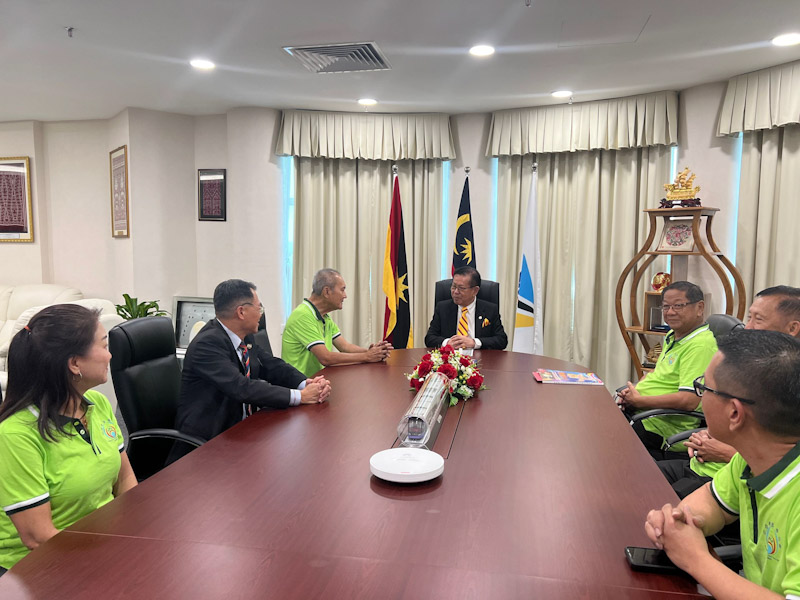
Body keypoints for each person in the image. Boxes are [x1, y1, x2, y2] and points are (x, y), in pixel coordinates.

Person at [644, 330, 800, 599]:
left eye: (704, 387)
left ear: (734, 412)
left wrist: (696, 559)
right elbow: (712, 502)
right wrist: (678, 523)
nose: (700, 396)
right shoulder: (751, 458)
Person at [0, 304, 137, 574]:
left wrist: (138, 530)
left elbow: (124, 479)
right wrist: (109, 556)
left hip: (101, 544)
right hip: (38, 568)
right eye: (104, 345)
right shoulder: (16, 435)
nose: (110, 355)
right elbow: (38, 538)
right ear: (75, 364)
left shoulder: (97, 403)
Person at [658, 285, 800, 497]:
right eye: (749, 318)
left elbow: (786, 464)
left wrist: (724, 451)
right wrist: (708, 434)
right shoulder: (753, 364)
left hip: (727, 481)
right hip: (704, 466)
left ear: (792, 328)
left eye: (758, 319)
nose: (747, 328)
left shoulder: (790, 384)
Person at [170, 280, 330, 461]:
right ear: (241, 312)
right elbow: (241, 387)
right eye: (259, 308)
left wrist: (305, 383)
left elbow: (271, 365)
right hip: (208, 443)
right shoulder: (207, 344)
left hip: (242, 431)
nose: (261, 314)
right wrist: (300, 397)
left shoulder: (244, 337)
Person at [616, 281, 717, 460]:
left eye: (678, 306)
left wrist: (640, 401)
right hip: (643, 413)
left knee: (603, 438)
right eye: (665, 306)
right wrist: (633, 392)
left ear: (700, 308)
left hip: (661, 425)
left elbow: (689, 400)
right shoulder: (674, 335)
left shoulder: (701, 345)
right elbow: (658, 374)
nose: (670, 312)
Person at [282, 269, 392, 377]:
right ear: (326, 292)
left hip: (316, 381)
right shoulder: (302, 315)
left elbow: (345, 347)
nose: (345, 295)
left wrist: (373, 352)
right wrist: (367, 356)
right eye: (342, 290)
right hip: (299, 385)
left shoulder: (324, 316)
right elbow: (325, 358)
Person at [424, 266, 507, 350]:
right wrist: (448, 343)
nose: (455, 292)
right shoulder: (442, 308)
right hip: (451, 356)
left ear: (475, 290)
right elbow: (429, 338)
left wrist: (474, 342)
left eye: (461, 288)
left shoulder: (490, 309)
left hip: (479, 356)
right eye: (453, 287)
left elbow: (501, 340)